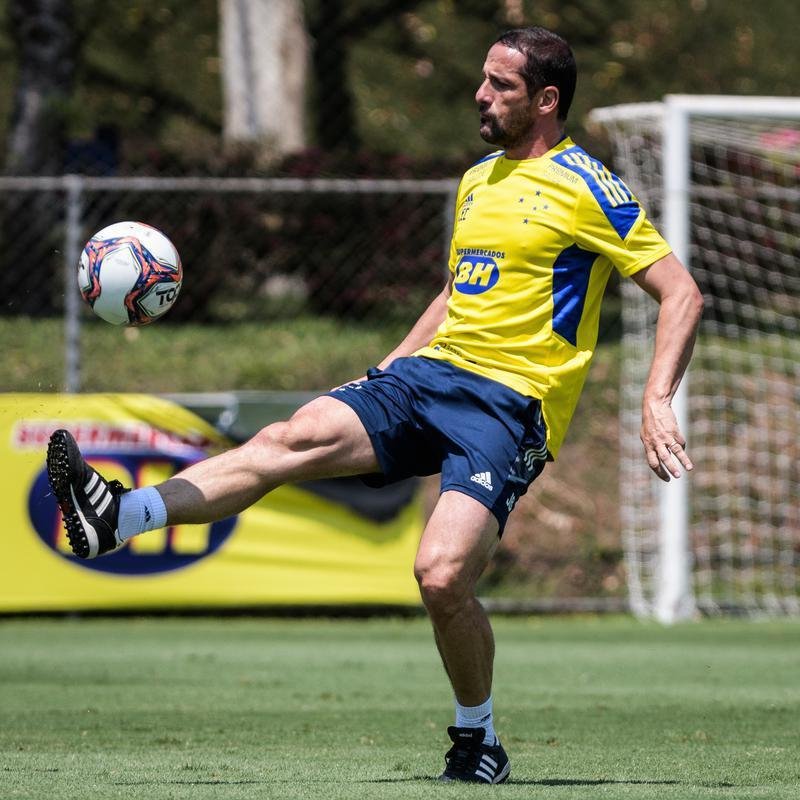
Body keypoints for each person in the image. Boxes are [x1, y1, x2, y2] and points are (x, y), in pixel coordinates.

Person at [47, 26, 703, 784]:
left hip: (509, 408)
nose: (482, 96)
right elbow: (457, 291)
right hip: (428, 377)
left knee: (440, 577)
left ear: (547, 100)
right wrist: (386, 373)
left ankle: (477, 737)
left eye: (502, 86)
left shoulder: (587, 184)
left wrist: (657, 398)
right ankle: (116, 518)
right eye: (483, 80)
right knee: (290, 437)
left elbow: (678, 290)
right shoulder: (478, 178)